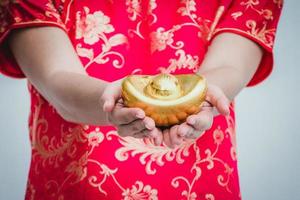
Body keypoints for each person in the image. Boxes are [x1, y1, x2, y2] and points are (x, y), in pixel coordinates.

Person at [0, 0, 282, 199]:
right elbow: (55, 76)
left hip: (204, 188)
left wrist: (199, 98)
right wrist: (109, 103)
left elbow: (230, 66)